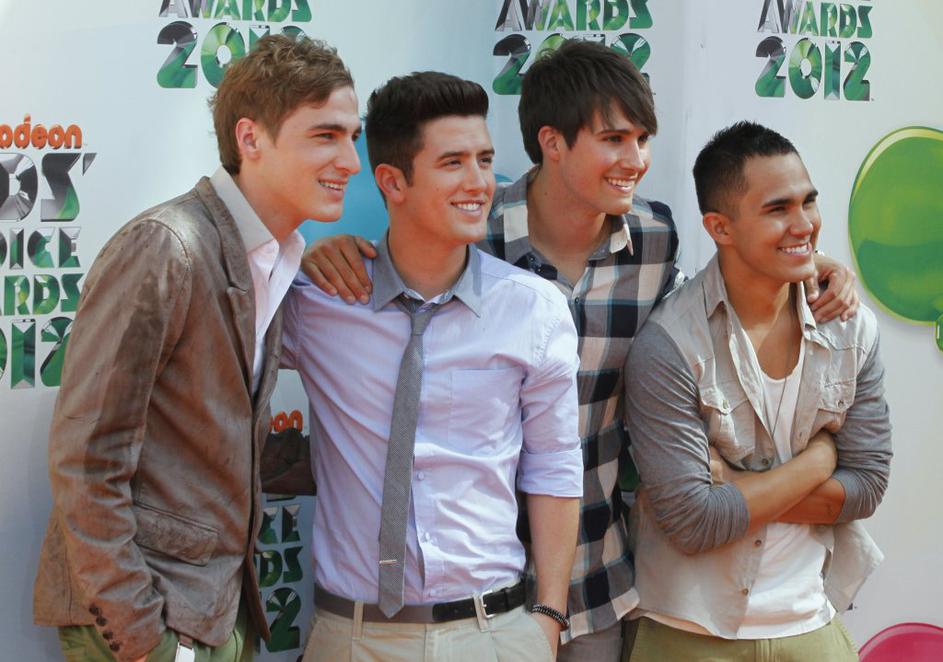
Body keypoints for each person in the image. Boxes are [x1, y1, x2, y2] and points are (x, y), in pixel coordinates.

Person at [298, 40, 860, 661]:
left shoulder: (653, 239)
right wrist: (324, 253)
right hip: (465, 586)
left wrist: (810, 265)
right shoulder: (471, 230)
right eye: (614, 139)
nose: (635, 160)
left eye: (642, 140)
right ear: (552, 143)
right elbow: (398, 264)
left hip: (594, 576)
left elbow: (718, 300)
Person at [33, 35, 361, 662]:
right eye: (325, 136)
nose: (350, 160)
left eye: (353, 136)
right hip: (146, 618)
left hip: (214, 612)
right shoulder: (168, 246)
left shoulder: (277, 258)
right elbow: (86, 457)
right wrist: (140, 635)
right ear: (250, 139)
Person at [276, 71, 583, 662]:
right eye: (452, 163)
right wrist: (298, 254)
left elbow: (554, 469)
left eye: (484, 159)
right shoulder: (318, 304)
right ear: (392, 181)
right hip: (351, 636)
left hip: (493, 633)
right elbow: (218, 323)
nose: (479, 183)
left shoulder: (533, 309)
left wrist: (547, 620)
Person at [623, 121, 892, 661]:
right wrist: (820, 461)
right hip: (687, 630)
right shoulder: (670, 344)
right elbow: (693, 523)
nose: (804, 224)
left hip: (810, 621)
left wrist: (736, 488)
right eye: (777, 209)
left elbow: (867, 485)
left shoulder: (849, 326)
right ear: (720, 227)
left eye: (808, 201)